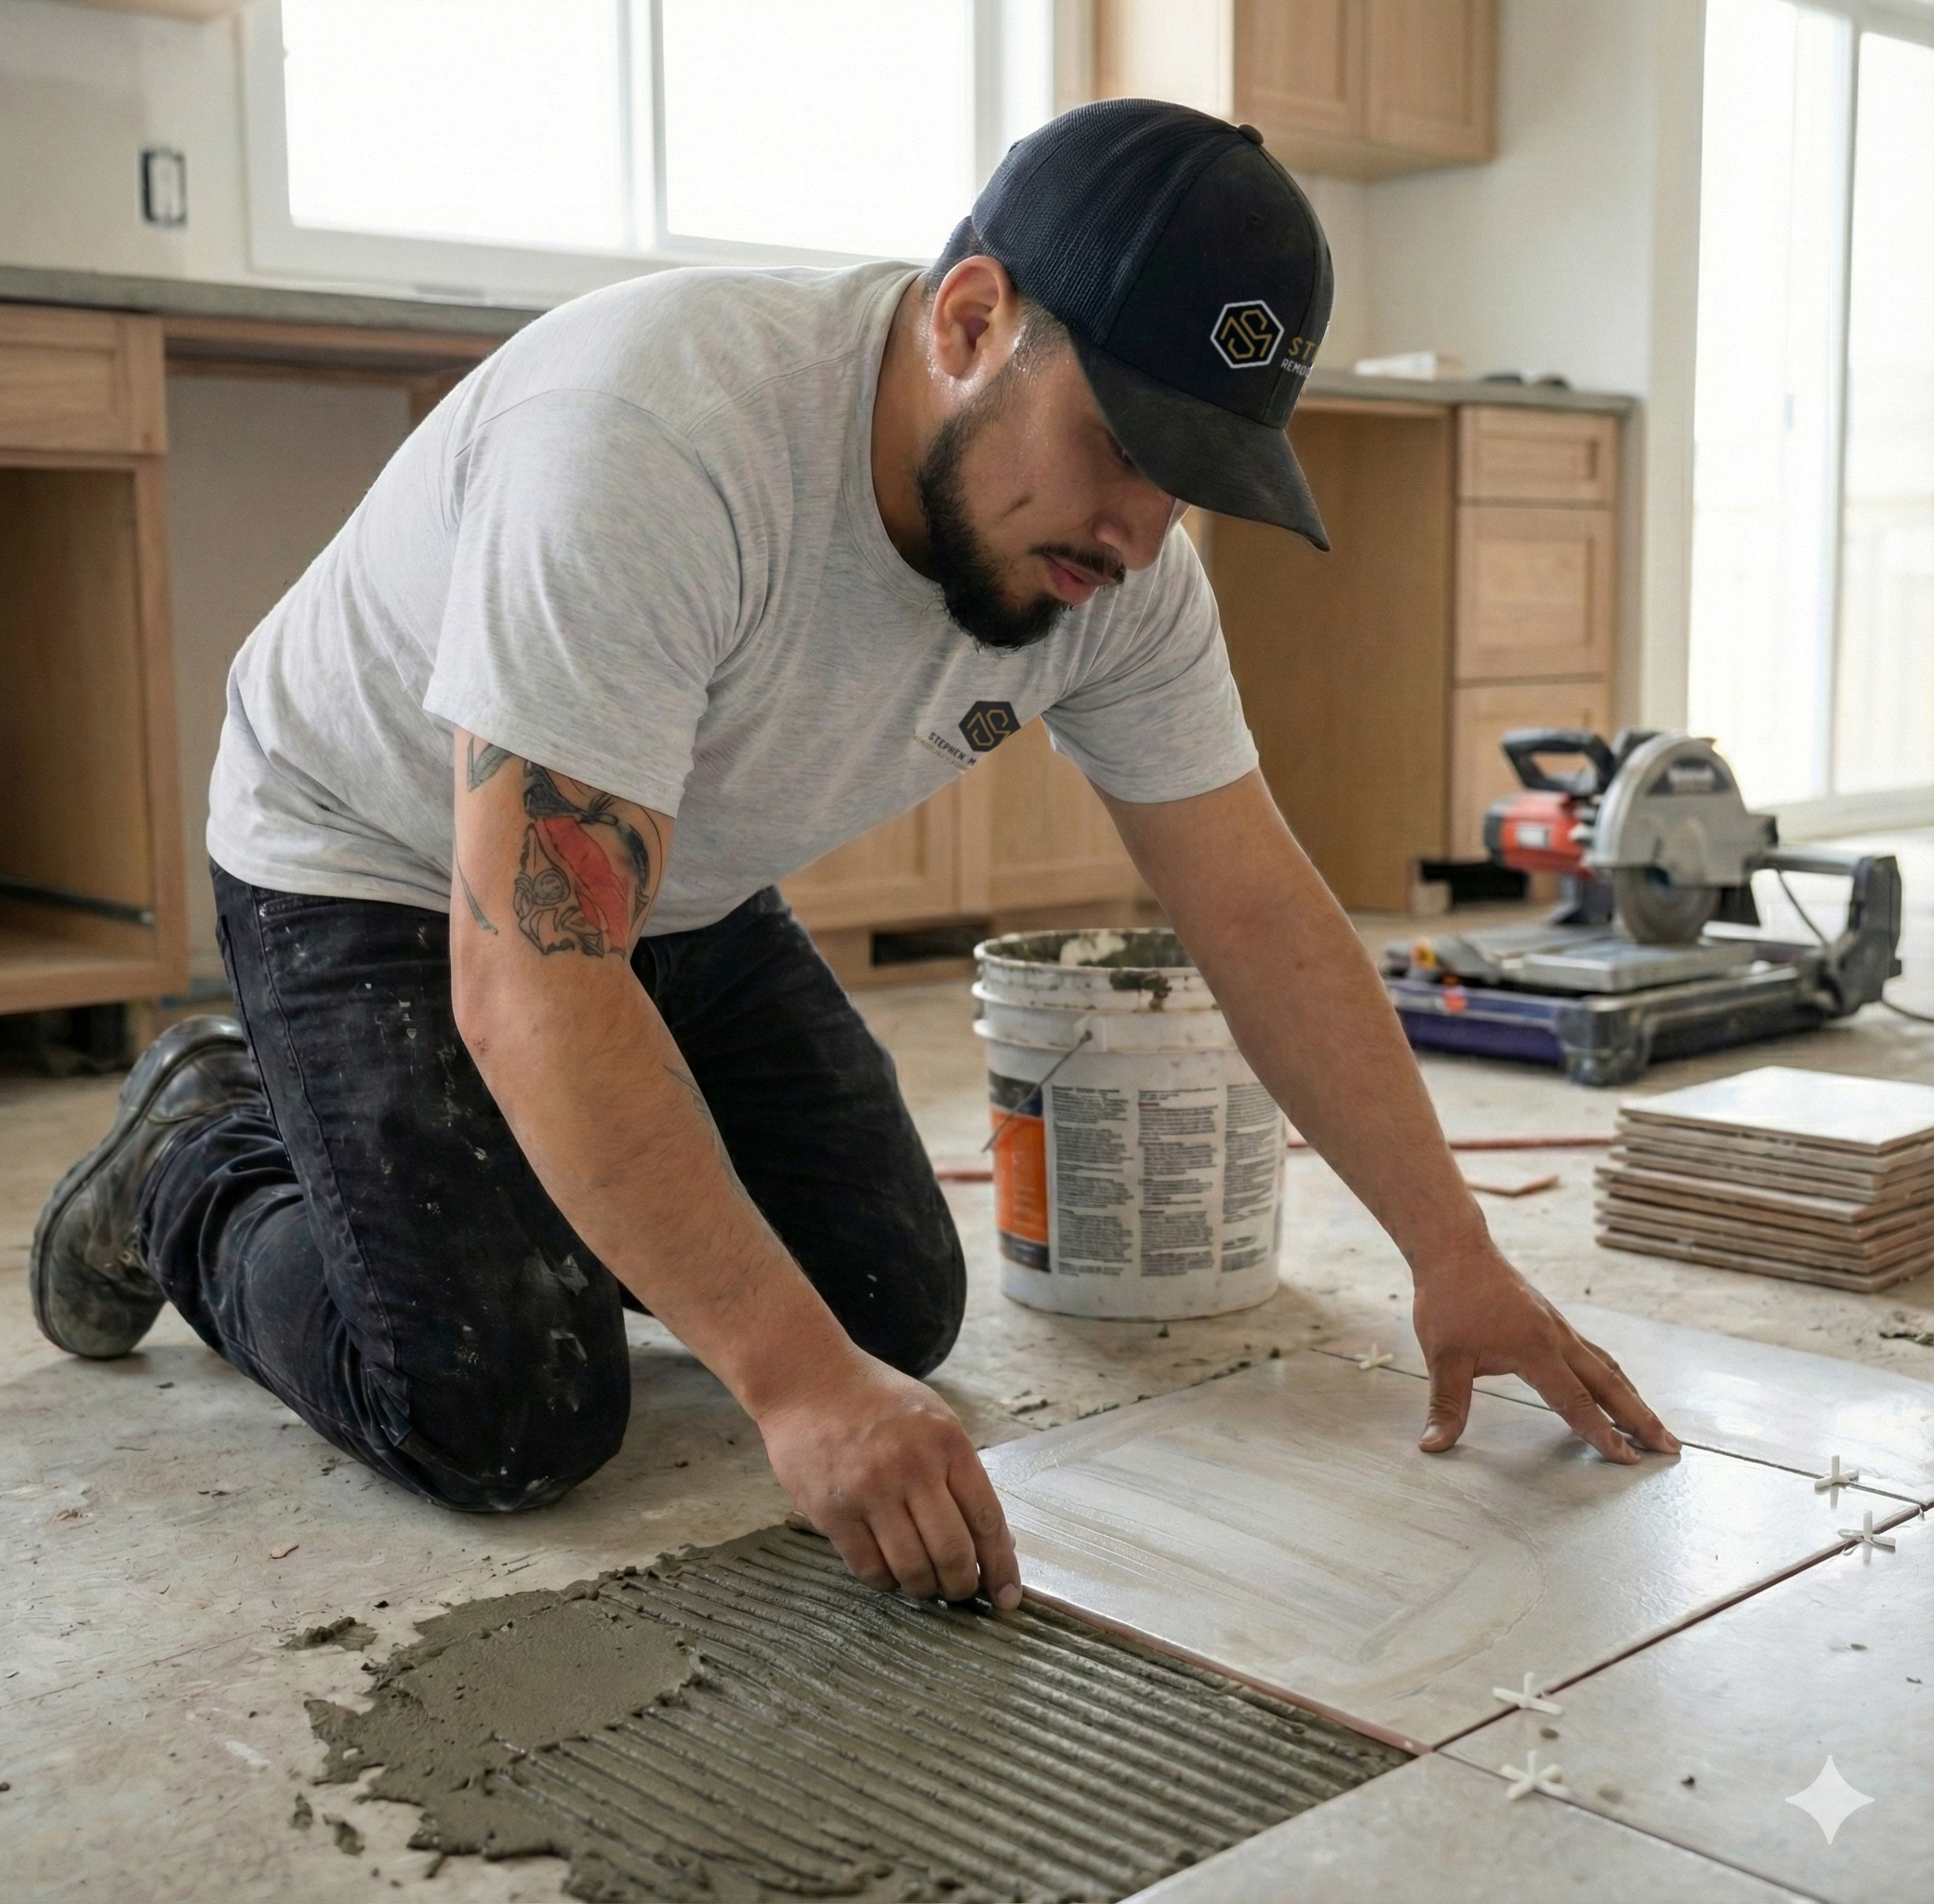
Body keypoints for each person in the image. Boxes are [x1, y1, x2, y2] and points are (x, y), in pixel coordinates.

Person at [32, 100, 1676, 1612]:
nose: (1136, 530)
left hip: (675, 882)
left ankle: (507, 1176)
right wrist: (795, 1393)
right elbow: (529, 974)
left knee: (887, 1305)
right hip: (371, 859)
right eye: (1115, 443)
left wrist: (1455, 1259)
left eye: (1185, 484)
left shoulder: (1127, 577)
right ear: (971, 321)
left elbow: (1255, 909)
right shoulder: (656, 440)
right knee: (504, 1408)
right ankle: (197, 1155)